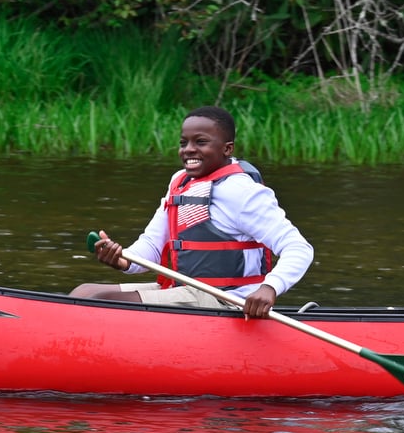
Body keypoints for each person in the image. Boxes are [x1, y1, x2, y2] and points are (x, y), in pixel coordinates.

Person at [72, 106, 314, 319]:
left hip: (228, 301)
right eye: (183, 142)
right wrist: (123, 260)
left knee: (103, 301)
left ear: (227, 148)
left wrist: (269, 288)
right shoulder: (180, 181)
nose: (188, 150)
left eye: (200, 142)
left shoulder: (243, 192)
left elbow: (298, 248)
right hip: (187, 291)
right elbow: (153, 245)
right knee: (84, 292)